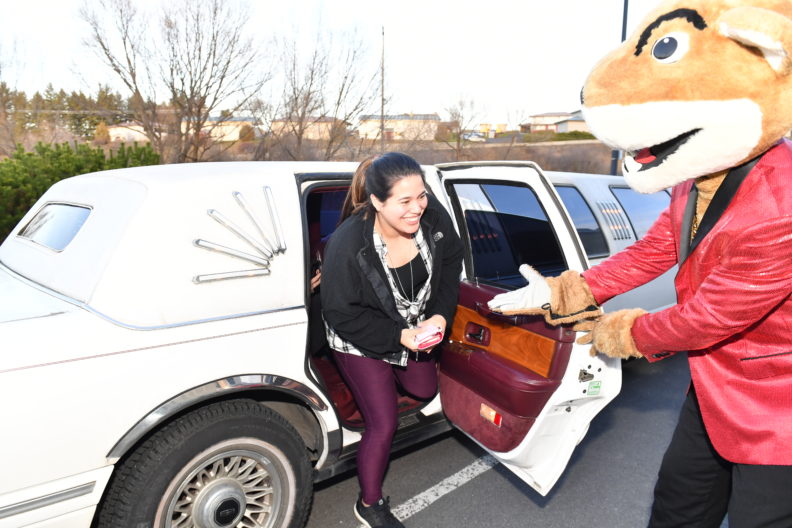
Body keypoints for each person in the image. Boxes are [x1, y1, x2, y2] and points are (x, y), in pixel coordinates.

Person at [320, 152, 463, 528]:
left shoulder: (433, 220)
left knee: (424, 389)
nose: (417, 208)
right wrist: (399, 337)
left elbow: (451, 266)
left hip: (414, 325)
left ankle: (386, 380)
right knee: (383, 423)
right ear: (378, 202)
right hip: (359, 336)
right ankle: (370, 504)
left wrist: (439, 315)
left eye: (422, 196)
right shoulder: (348, 244)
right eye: (405, 201)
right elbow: (340, 313)